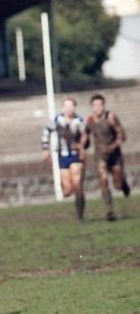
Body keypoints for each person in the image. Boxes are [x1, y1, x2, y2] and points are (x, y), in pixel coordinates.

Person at [81, 93, 131, 221]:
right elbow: (85, 136)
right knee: (103, 180)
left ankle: (123, 184)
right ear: (92, 106)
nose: (98, 107)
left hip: (114, 155)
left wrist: (113, 146)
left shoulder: (111, 117)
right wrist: (83, 144)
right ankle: (109, 210)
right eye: (95, 105)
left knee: (118, 185)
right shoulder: (90, 120)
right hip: (100, 156)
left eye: (100, 105)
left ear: (103, 105)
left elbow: (122, 136)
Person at [41, 97, 87, 220]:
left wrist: (81, 146)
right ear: (63, 108)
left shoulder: (79, 120)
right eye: (66, 106)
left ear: (74, 107)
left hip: (75, 155)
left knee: (77, 184)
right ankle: (72, 193)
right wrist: (45, 149)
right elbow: (46, 131)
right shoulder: (57, 120)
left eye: (71, 106)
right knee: (67, 190)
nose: (69, 109)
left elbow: (85, 136)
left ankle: (80, 213)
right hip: (63, 156)